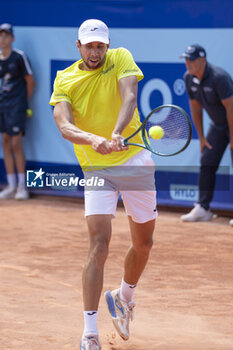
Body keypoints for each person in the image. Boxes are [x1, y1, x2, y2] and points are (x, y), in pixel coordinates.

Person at [50, 19, 157, 350]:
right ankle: (89, 333)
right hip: (97, 170)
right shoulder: (65, 79)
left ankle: (124, 298)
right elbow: (64, 125)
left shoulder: (121, 57)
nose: (95, 51)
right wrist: (93, 140)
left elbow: (129, 96)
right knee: (99, 244)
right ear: (78, 46)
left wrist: (116, 132)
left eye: (100, 46)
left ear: (107, 46)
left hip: (135, 161)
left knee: (144, 244)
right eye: (89, 46)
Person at [180, 44, 233, 226]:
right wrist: (202, 138)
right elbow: (195, 108)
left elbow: (231, 108)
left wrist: (232, 138)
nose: (187, 63)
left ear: (202, 61)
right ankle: (203, 208)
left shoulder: (219, 77)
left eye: (191, 60)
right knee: (207, 161)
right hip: (218, 126)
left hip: (232, 122)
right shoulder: (189, 78)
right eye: (186, 59)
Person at [0, 23, 35, 200]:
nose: (3, 38)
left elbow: (30, 82)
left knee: (16, 143)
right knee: (5, 142)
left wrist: (23, 102)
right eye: (1, 35)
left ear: (12, 38)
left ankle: (22, 186)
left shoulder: (19, 57)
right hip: (2, 107)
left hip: (18, 107)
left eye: (6, 35)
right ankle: (11, 185)